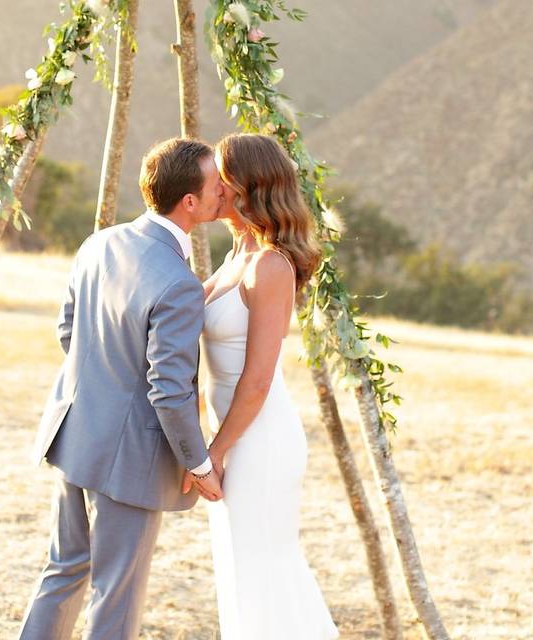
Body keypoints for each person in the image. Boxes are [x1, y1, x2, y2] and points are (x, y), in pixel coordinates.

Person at [19, 137, 226, 640]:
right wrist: (198, 464)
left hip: (75, 434)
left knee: (63, 570)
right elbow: (168, 389)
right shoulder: (178, 283)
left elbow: (69, 333)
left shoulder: (99, 243)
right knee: (116, 594)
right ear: (190, 203)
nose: (225, 191)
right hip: (129, 458)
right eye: (216, 185)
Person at [189, 132, 339, 639]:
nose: (210, 186)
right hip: (236, 438)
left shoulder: (271, 265)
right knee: (241, 571)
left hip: (259, 441)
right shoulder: (236, 257)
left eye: (218, 177)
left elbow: (256, 381)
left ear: (243, 186)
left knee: (266, 568)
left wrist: (215, 451)